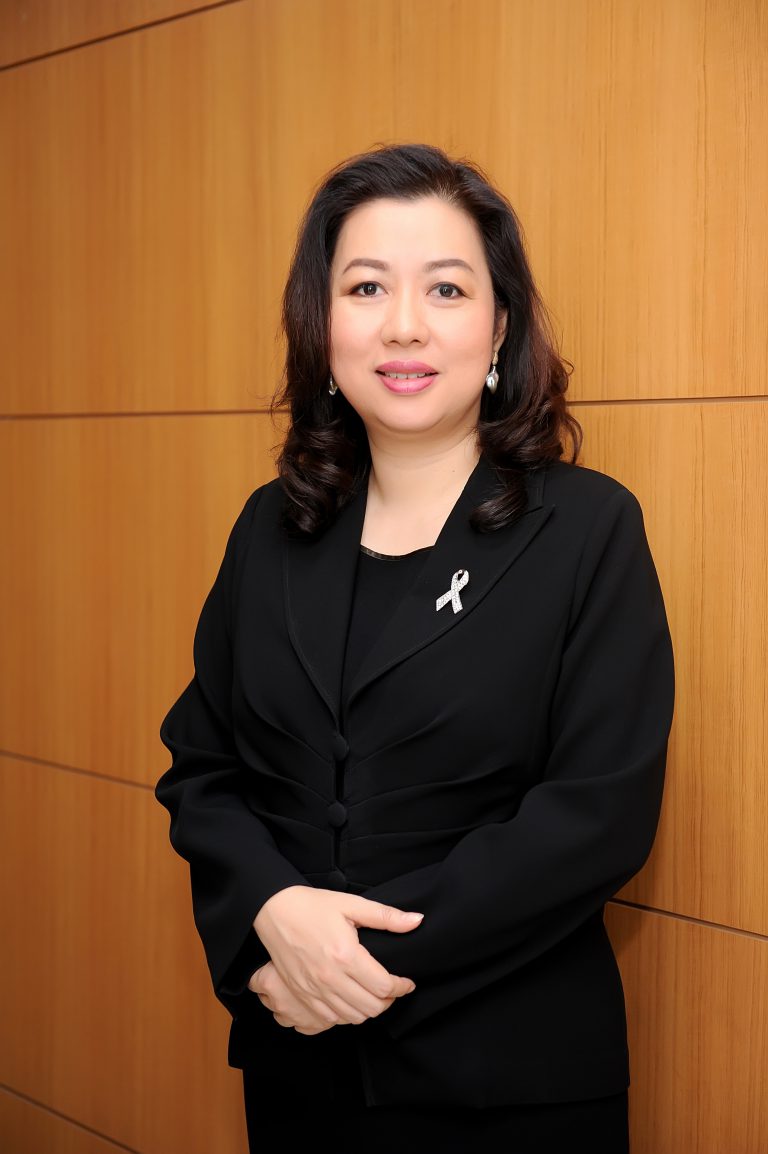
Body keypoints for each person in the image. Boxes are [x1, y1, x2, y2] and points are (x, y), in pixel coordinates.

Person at [155, 142, 675, 1153]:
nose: (403, 324)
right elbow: (203, 768)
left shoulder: (586, 527)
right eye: (365, 287)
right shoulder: (272, 526)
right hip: (298, 1063)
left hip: (507, 1079)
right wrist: (270, 912)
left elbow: (595, 813)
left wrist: (344, 960)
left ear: (500, 326)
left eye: (445, 287)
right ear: (322, 327)